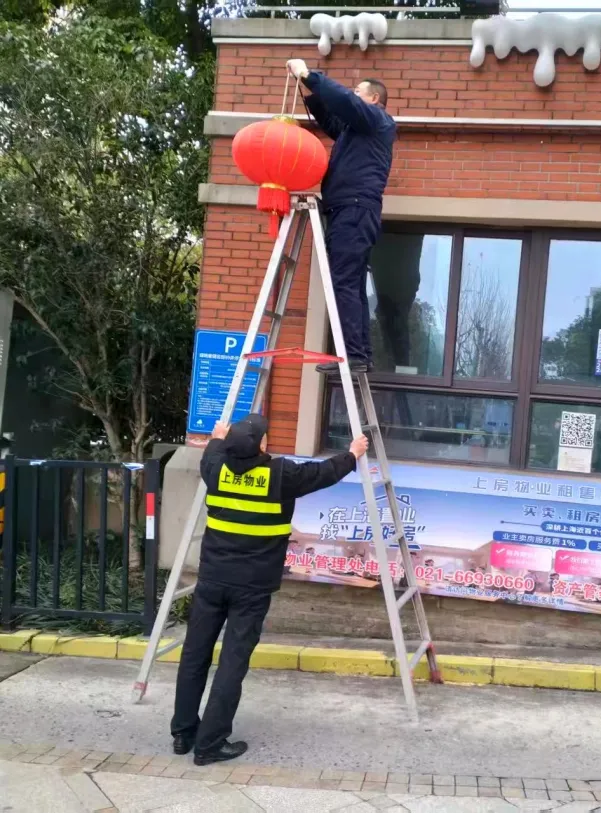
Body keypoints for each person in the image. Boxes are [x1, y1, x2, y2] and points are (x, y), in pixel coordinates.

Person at [171, 413, 368, 765]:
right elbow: (323, 473)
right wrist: (352, 453)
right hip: (252, 586)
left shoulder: (215, 468)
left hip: (213, 580)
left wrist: (218, 437)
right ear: (262, 445)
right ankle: (210, 744)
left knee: (194, 654)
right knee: (232, 662)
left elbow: (212, 452)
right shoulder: (280, 475)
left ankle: (183, 733)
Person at [286, 58, 396, 374]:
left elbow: (345, 102)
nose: (353, 93)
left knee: (344, 281)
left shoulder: (378, 120)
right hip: (351, 209)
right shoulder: (357, 130)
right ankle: (359, 354)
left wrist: (309, 75)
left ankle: (353, 354)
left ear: (374, 98)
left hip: (354, 209)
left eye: (359, 91)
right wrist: (311, 92)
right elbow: (333, 120)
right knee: (352, 283)